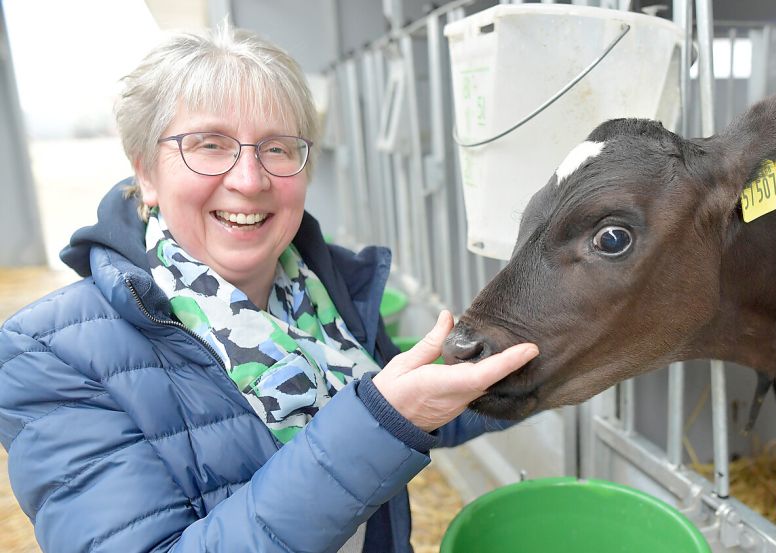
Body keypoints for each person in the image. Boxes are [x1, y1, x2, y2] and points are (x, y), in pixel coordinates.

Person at [0, 22, 537, 553]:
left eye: (278, 149)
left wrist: (559, 353)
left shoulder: (324, 294)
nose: (250, 180)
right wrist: (380, 422)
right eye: (209, 144)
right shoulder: (48, 354)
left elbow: (417, 406)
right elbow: (386, 416)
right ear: (146, 173)